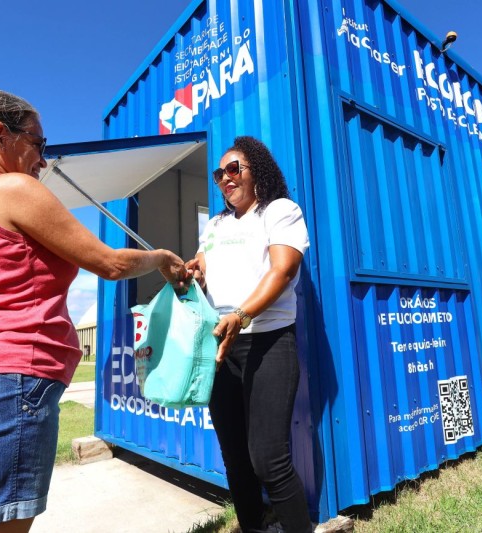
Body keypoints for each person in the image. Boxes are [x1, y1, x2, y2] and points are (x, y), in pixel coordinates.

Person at [0, 88, 188, 533]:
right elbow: (109, 263)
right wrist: (163, 258)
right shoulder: (12, 188)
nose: (43, 161)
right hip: (8, 386)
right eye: (38, 143)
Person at [186, 136, 312, 532]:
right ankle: (254, 526)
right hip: (221, 347)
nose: (225, 178)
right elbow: (203, 267)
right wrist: (192, 272)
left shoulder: (279, 211)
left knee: (269, 460)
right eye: (218, 173)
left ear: (256, 169)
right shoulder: (216, 224)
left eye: (233, 169)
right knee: (236, 458)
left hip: (268, 342)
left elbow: (283, 269)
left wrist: (241, 314)